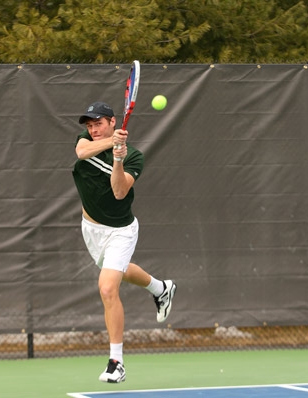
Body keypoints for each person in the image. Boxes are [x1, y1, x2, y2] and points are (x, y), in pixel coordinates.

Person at [72, 101, 177, 383]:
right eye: (90, 125)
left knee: (107, 287)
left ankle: (116, 362)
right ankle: (161, 288)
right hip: (91, 230)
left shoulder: (135, 157)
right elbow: (81, 153)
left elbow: (119, 192)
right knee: (119, 271)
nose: (93, 129)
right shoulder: (86, 140)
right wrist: (108, 145)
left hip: (120, 230)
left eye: (99, 124)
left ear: (113, 122)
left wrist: (118, 157)